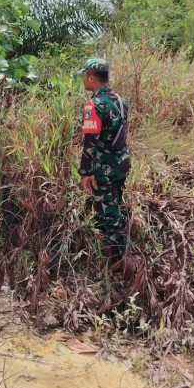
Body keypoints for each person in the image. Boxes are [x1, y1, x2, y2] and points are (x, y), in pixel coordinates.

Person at [77, 58, 130, 263]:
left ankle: (116, 261)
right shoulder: (121, 101)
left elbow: (90, 143)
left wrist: (86, 173)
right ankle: (118, 249)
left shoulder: (94, 105)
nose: (83, 80)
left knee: (109, 214)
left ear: (91, 77)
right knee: (115, 203)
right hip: (121, 162)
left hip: (104, 167)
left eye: (84, 76)